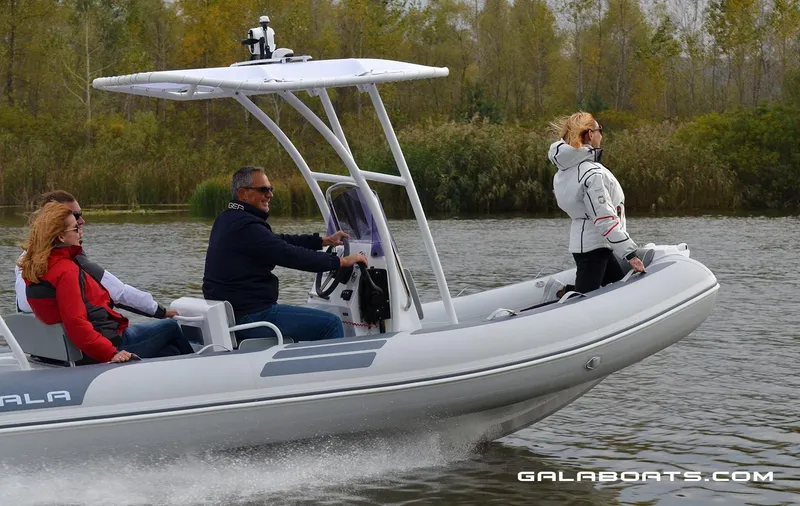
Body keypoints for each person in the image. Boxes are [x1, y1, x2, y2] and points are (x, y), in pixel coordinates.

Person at [202, 166, 369, 344]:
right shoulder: (246, 226)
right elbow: (289, 254)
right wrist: (340, 261)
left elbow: (277, 241)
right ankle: (328, 372)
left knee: (318, 316)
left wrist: (322, 241)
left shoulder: (228, 219)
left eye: (270, 189)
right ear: (243, 193)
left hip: (239, 312)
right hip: (251, 315)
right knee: (331, 323)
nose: (270, 195)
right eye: (263, 190)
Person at [19, 202, 194, 364]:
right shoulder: (67, 270)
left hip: (73, 348)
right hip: (104, 344)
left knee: (170, 351)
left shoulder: (35, 270)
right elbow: (76, 323)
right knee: (170, 327)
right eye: (75, 228)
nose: (79, 231)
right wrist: (110, 353)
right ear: (61, 237)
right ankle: (199, 370)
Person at [14, 190, 177, 320]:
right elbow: (119, 293)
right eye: (74, 215)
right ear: (54, 222)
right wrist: (161, 312)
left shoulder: (25, 259)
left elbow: (24, 306)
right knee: (171, 331)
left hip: (41, 349)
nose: (82, 221)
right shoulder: (70, 262)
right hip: (78, 352)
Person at [547, 112, 645, 297]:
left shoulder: (564, 171)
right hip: (594, 246)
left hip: (593, 243)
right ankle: (560, 294)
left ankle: (563, 292)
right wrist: (630, 254)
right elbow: (604, 218)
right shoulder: (592, 174)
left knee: (616, 285)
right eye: (600, 130)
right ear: (591, 134)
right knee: (583, 298)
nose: (602, 135)